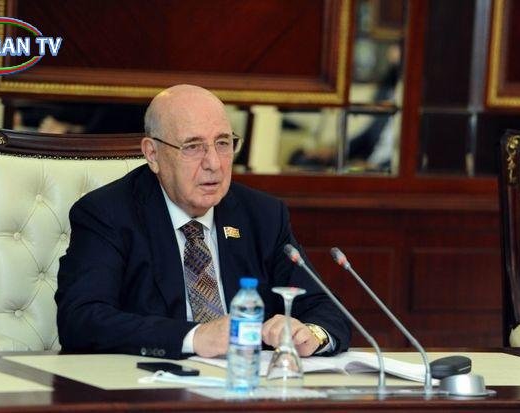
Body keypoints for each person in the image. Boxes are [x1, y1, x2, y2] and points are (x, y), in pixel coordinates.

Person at [55, 84, 351, 359]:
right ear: (152, 154)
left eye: (223, 143)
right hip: (149, 385)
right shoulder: (108, 214)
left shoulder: (262, 215)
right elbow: (81, 319)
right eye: (193, 147)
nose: (213, 163)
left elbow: (326, 307)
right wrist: (195, 337)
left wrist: (311, 334)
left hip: (245, 384)